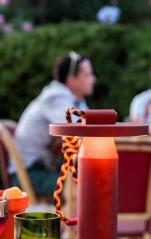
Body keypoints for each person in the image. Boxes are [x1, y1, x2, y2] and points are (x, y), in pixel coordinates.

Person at [12, 52, 96, 196]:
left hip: (46, 168)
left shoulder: (75, 101)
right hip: (30, 173)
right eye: (88, 75)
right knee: (89, 187)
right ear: (72, 79)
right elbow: (80, 131)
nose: (93, 79)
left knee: (94, 179)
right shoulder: (55, 98)